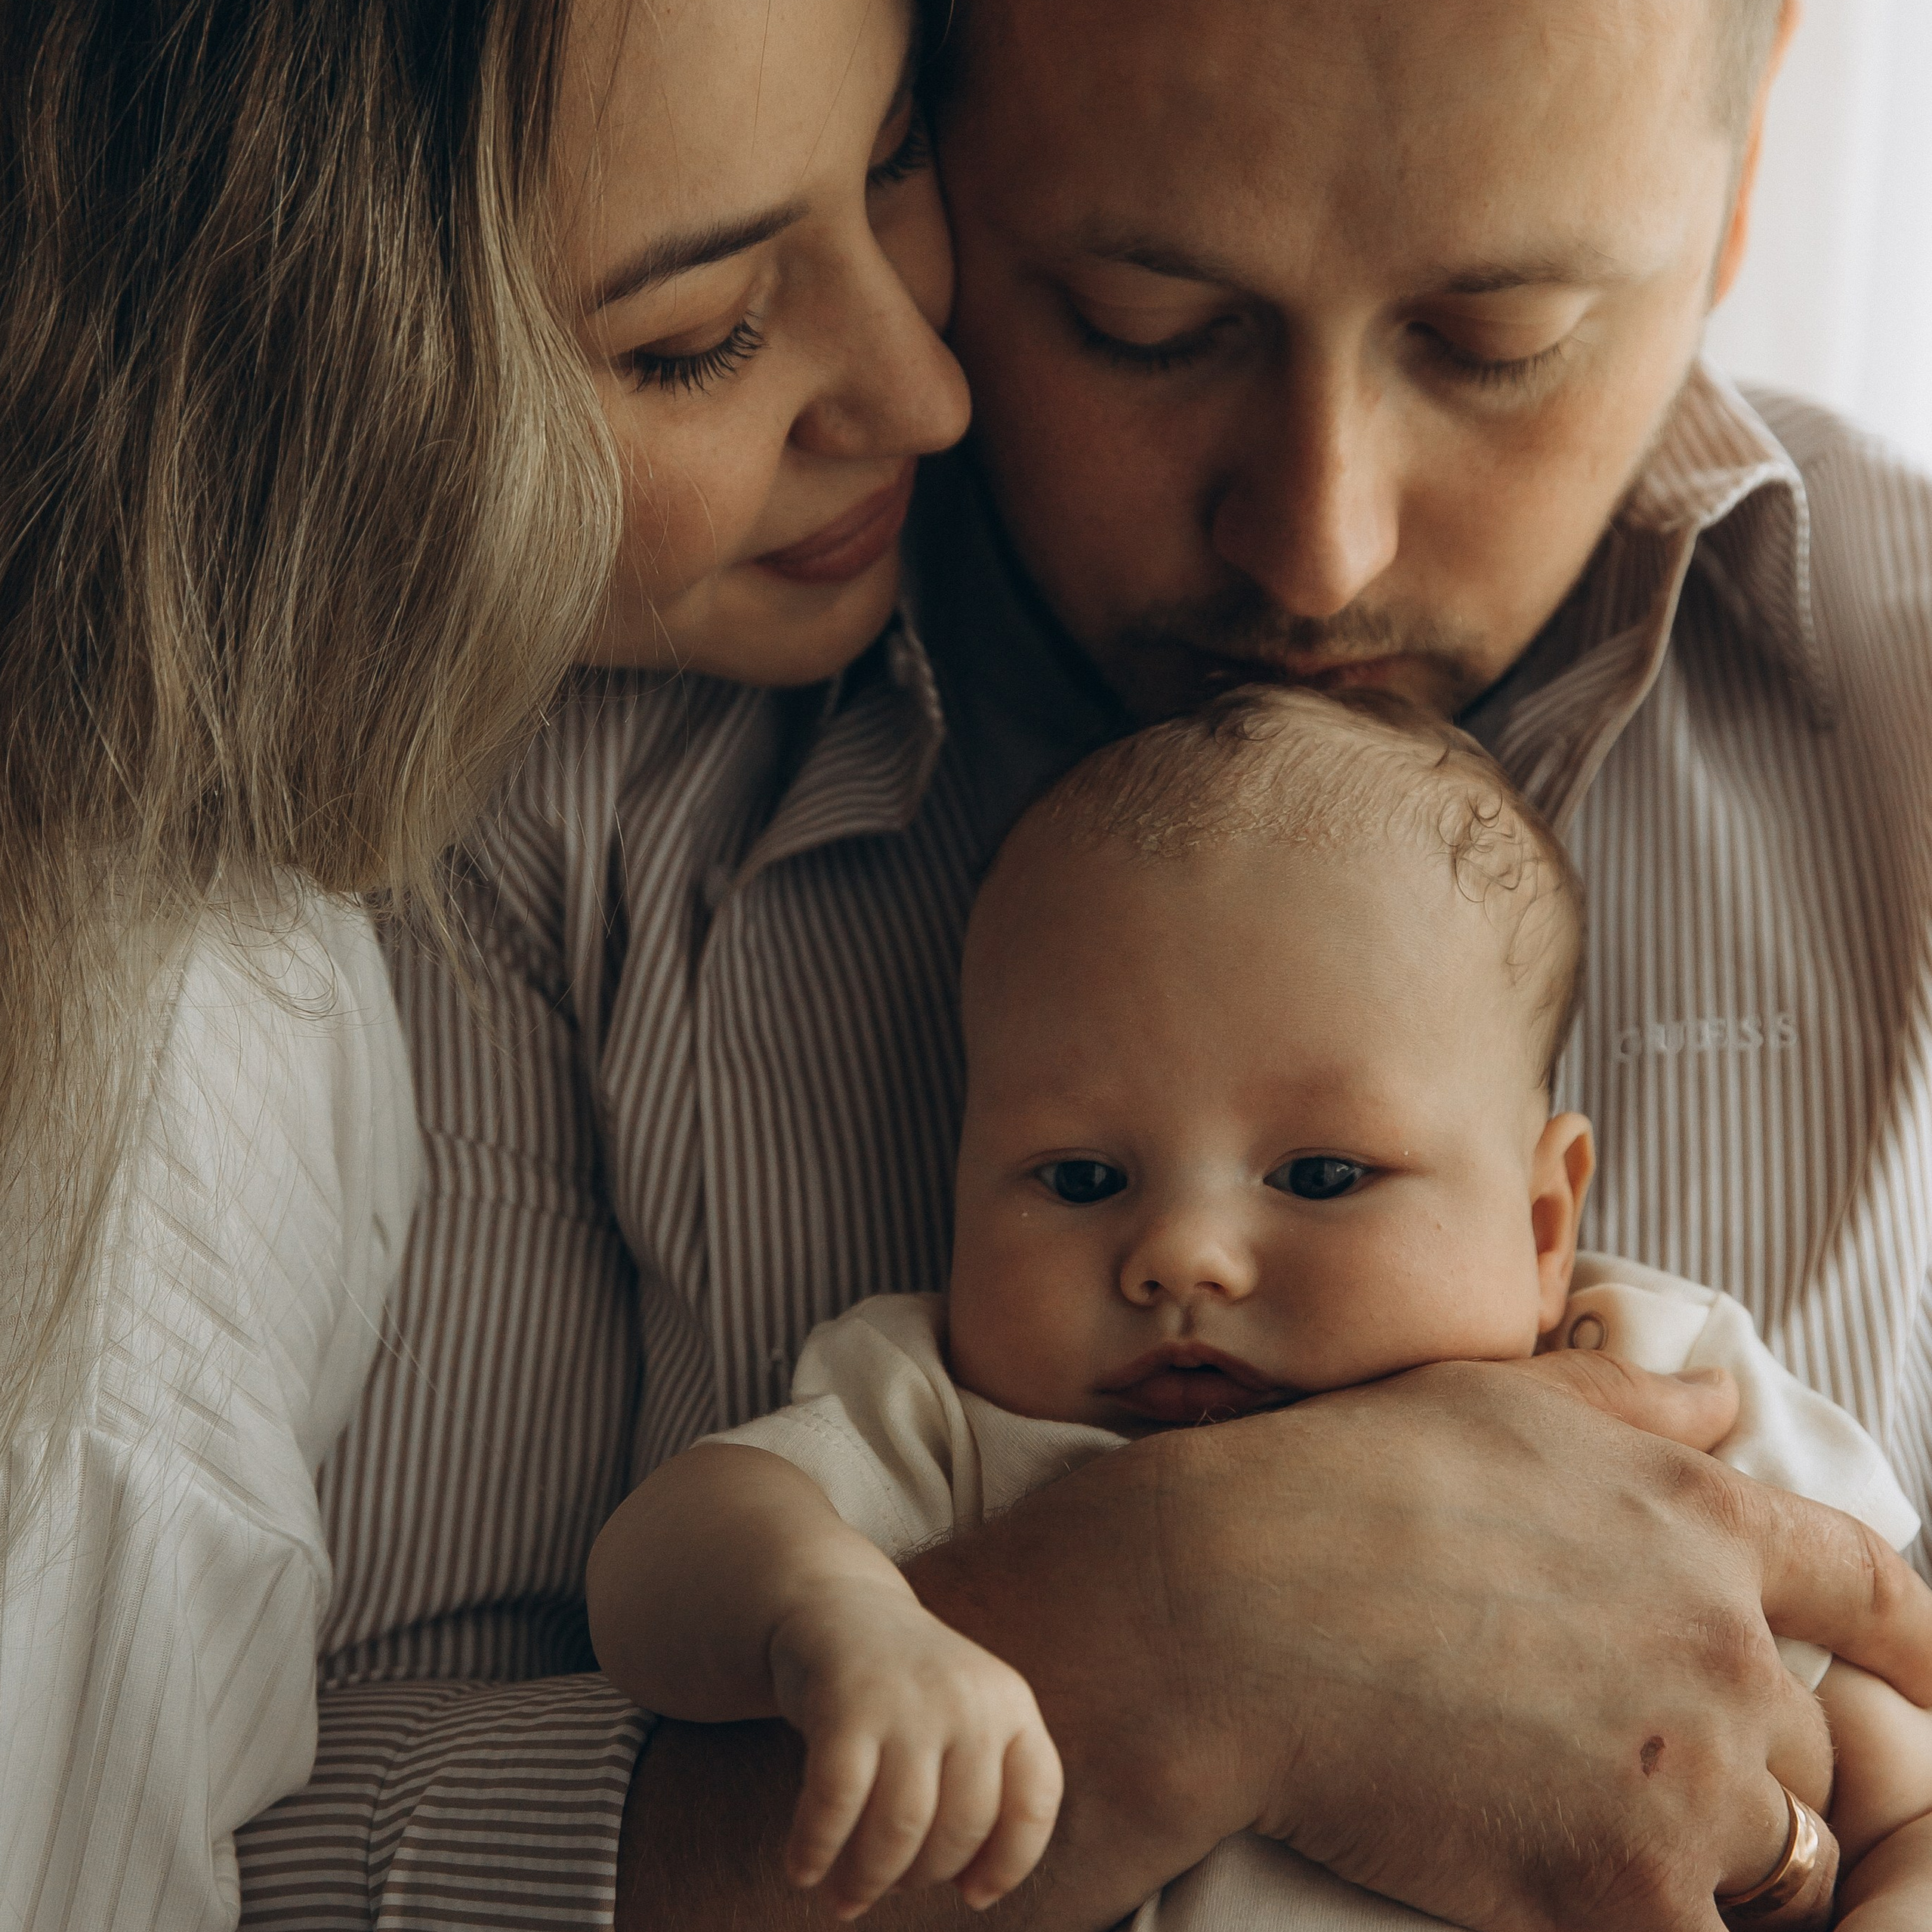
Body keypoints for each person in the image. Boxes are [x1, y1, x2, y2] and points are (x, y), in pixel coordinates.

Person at [236, 0, 1932, 1928]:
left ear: (1748, 161)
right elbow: (226, 1836)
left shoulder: (1895, 714)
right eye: (1145, 320)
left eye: (1500, 341)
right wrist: (1167, 1640)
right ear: (922, 136)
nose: (1318, 544)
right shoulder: (550, 741)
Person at [0, 0, 964, 1927]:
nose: (924, 391)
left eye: (893, 158)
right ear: (299, 369)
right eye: (699, 338)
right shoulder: (168, 1050)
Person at [585, 689, 1932, 1932]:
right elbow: (658, 1560)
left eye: (1321, 1175)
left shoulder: (1654, 1394)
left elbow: (1907, 1802)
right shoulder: (942, 1412)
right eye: (1079, 1177)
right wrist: (832, 1616)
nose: (1181, 1256)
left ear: (1540, 1226)